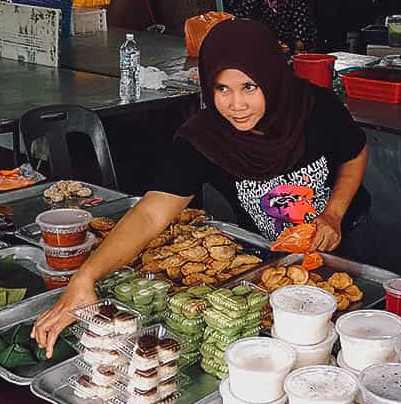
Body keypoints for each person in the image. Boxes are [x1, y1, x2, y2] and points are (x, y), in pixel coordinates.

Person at [33, 19, 367, 354]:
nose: (236, 105)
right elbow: (151, 214)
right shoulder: (206, 138)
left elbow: (355, 154)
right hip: (270, 256)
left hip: (335, 247)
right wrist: (85, 278)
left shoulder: (315, 108)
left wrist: (333, 214)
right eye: (222, 89)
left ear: (272, 77)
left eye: (249, 87)